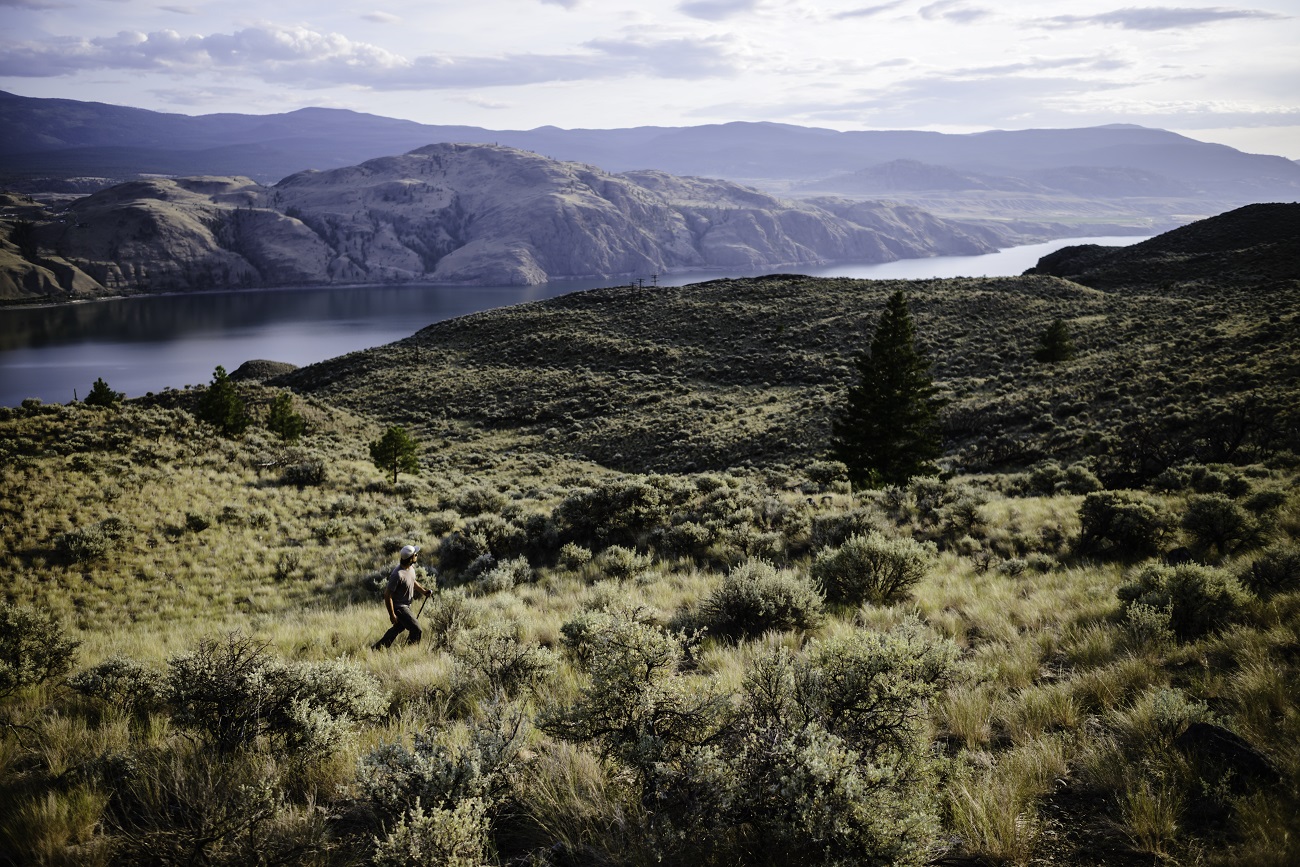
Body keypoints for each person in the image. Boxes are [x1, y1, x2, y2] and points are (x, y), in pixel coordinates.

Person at [372, 544, 433, 649]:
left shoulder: (410, 568)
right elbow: (387, 595)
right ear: (410, 558)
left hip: (406, 605)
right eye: (415, 554)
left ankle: (378, 648)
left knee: (398, 628)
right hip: (399, 607)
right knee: (416, 629)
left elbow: (412, 581)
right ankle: (409, 652)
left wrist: (423, 591)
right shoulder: (398, 574)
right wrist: (392, 614)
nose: (417, 555)